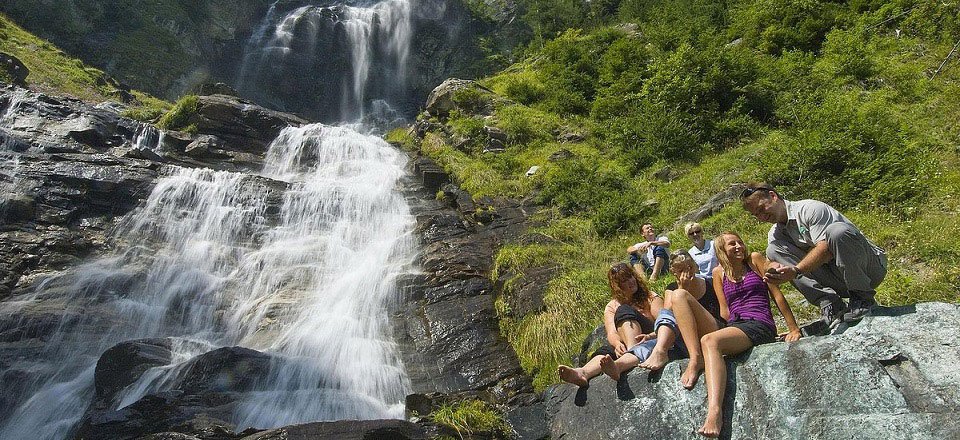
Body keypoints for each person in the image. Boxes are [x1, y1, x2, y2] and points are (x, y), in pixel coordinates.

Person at [691, 231, 802, 437]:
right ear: (722, 250)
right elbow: (724, 311)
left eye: (739, 242)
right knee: (709, 339)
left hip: (759, 323)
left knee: (710, 341)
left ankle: (715, 412)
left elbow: (777, 296)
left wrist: (794, 328)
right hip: (737, 325)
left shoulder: (755, 260)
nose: (738, 246)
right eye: (731, 244)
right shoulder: (718, 273)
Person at [739, 182, 887, 325]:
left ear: (773, 196)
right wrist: (774, 269)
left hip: (869, 271)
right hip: (838, 278)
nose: (762, 217)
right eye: (756, 214)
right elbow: (769, 260)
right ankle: (831, 304)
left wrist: (795, 270)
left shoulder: (810, 209)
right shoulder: (776, 233)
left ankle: (863, 297)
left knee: (837, 232)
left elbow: (825, 249)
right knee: (773, 249)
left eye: (762, 208)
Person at [557, 262, 663, 385]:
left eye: (630, 276)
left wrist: (650, 336)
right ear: (617, 286)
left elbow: (664, 322)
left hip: (650, 338)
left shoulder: (650, 297)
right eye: (625, 280)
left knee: (624, 310)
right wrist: (617, 344)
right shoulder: (612, 306)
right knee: (606, 351)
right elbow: (612, 332)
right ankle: (582, 373)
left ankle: (631, 356)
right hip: (627, 342)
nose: (631, 281)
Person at [637, 250, 722, 372]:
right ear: (674, 273)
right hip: (687, 338)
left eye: (689, 267)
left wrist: (682, 292)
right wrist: (651, 335)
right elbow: (668, 317)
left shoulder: (710, 282)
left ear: (695, 266)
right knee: (648, 345)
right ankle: (621, 365)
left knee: (679, 295)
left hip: (712, 330)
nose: (687, 273)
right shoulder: (671, 289)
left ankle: (666, 351)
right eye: (681, 270)